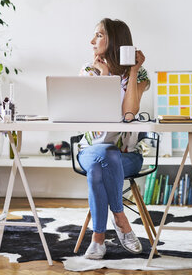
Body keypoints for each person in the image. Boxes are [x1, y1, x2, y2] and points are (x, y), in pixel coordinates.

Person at [77, 18, 150, 259]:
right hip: (90, 149)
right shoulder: (88, 72)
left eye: (98, 35)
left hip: (126, 156)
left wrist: (132, 70)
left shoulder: (139, 75)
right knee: (102, 157)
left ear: (115, 41)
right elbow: (97, 118)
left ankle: (98, 239)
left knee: (100, 166)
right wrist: (104, 76)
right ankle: (120, 218)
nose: (92, 41)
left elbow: (129, 114)